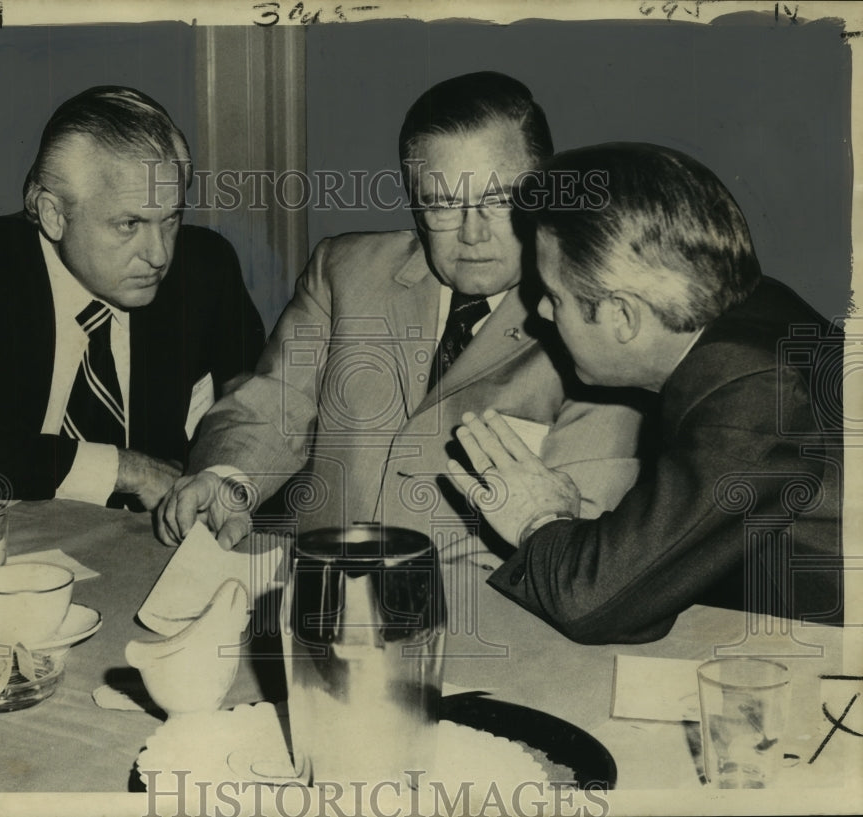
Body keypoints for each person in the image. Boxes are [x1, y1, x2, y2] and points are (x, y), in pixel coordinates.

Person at [157, 72, 644, 556]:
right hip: (319, 594)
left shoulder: (593, 326)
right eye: (443, 205)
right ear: (415, 207)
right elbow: (273, 404)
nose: (473, 235)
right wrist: (226, 482)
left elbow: (583, 539)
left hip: (490, 615)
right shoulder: (343, 272)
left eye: (498, 200)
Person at [448, 142, 844, 644]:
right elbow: (646, 585)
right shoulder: (759, 308)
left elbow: (593, 603)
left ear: (624, 316)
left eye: (553, 297)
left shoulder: (750, 391)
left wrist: (536, 519)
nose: (542, 315)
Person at [0, 86, 265, 509]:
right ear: (53, 215)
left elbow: (256, 405)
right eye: (128, 224)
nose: (159, 254)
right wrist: (123, 469)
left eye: (171, 218)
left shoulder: (204, 270)